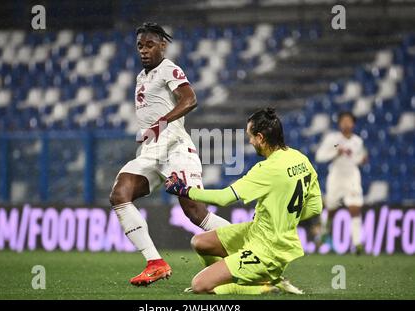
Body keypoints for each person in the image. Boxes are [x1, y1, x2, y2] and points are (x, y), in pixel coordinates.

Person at [109, 22, 230, 286]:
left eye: (150, 44)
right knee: (120, 193)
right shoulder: (142, 77)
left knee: (196, 213)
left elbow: (190, 99)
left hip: (175, 146)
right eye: (140, 45)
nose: (143, 50)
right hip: (152, 150)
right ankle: (155, 263)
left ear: (162, 45)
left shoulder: (168, 69)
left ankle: (249, 243)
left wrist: (160, 124)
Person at [165, 107, 322, 294]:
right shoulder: (300, 159)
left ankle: (263, 287)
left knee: (200, 286)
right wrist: (284, 218)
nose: (250, 141)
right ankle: (228, 273)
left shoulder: (267, 169)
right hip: (257, 233)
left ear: (261, 138)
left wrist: (184, 190)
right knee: (200, 242)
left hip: (268, 250)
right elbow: (315, 207)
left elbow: (224, 198)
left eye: (251, 136)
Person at [315, 111, 367, 254]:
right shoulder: (333, 139)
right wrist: (335, 153)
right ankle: (325, 233)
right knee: (331, 209)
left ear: (353, 123)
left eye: (349, 121)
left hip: (352, 177)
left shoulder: (358, 141)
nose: (346, 123)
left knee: (354, 208)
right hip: (336, 177)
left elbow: (360, 157)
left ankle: (357, 243)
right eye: (343, 120)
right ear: (339, 123)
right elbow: (320, 156)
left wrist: (363, 159)